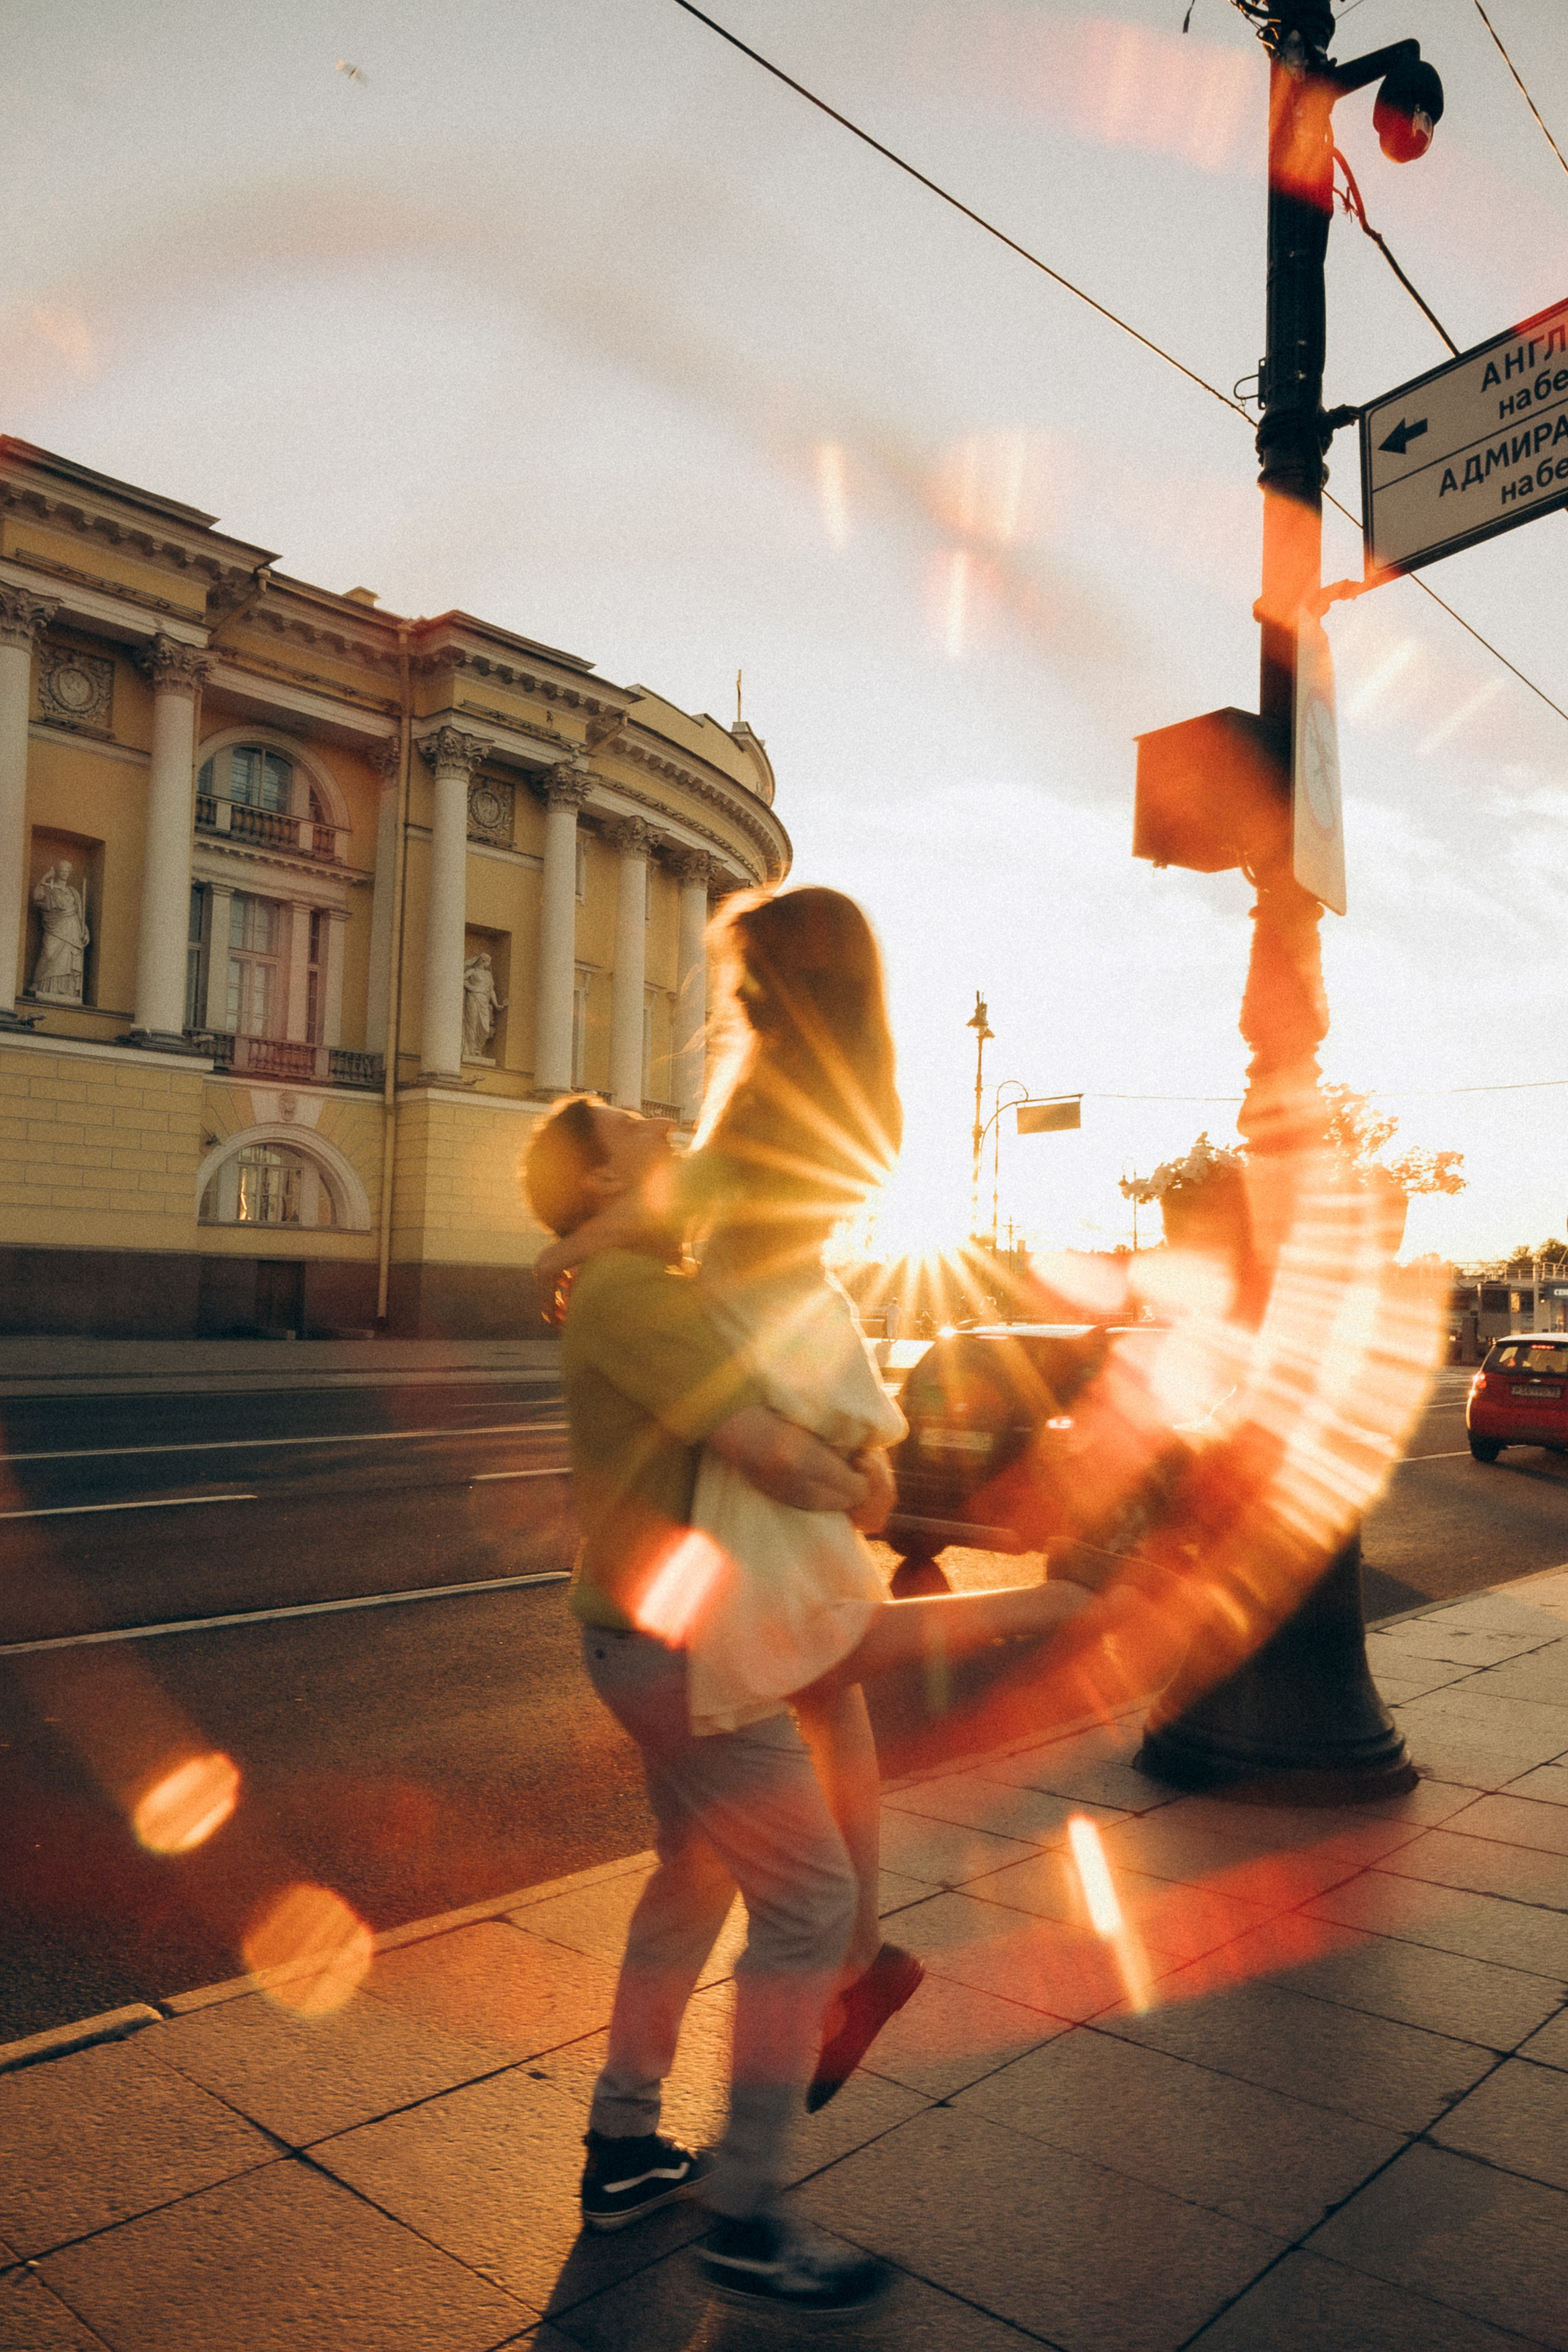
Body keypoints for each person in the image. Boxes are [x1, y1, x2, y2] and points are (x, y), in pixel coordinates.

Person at [524, 1093, 892, 2320]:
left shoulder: (633, 1279)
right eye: (629, 1127)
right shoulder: (634, 1295)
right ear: (591, 1180)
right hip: (671, 1653)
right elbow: (768, 1448)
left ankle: (624, 2149)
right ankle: (747, 2217)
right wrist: (860, 1483)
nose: (657, 1124)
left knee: (690, 1880)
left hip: (644, 1638)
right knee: (811, 1899)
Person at [29, 862, 89, 1005]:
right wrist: (44, 879)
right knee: (49, 954)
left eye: (67, 871)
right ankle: (40, 984)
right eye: (62, 871)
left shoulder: (73, 892)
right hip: (54, 927)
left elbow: (79, 914)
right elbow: (37, 897)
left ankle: (66, 990)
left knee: (69, 958)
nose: (65, 874)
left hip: (72, 927)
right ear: (56, 872)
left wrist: (85, 930)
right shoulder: (49, 887)